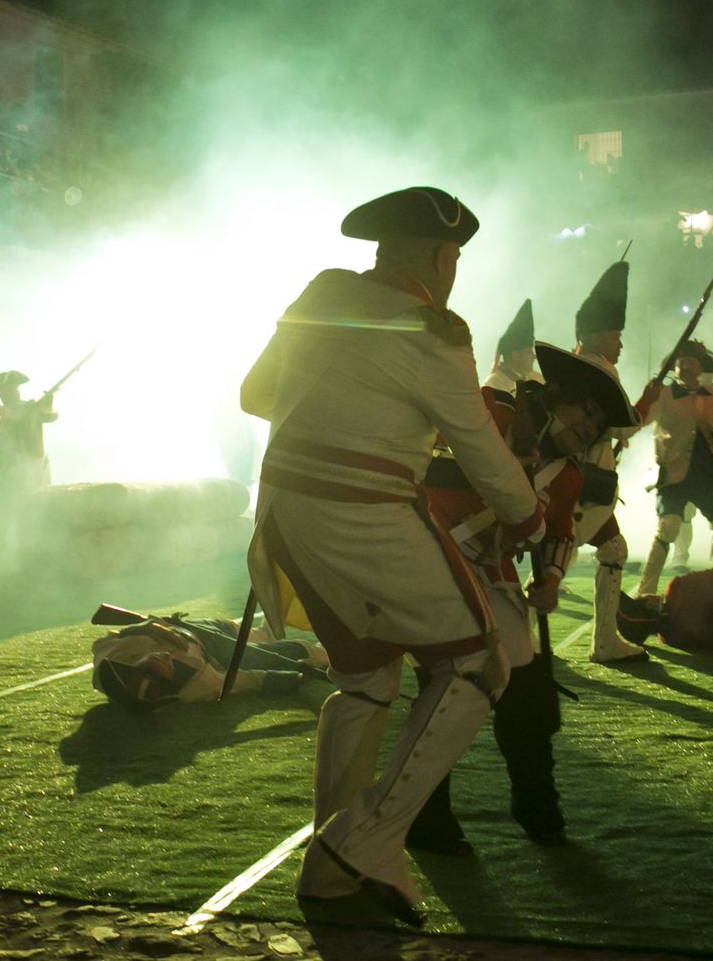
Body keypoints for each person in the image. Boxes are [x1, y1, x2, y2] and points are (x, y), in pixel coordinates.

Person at [241, 186, 545, 927]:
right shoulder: (434, 329)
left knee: (366, 677)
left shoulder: (320, 294)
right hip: (363, 511)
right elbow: (481, 448)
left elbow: (254, 397)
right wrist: (530, 518)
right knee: (478, 663)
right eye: (456, 258)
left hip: (284, 511)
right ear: (444, 257)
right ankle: (366, 844)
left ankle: (330, 866)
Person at [409, 341, 639, 850]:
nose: (589, 426)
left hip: (488, 571)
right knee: (451, 680)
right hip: (426, 547)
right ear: (558, 395)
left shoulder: (571, 474)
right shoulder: (493, 410)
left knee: (527, 683)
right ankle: (425, 815)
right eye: (587, 410)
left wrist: (551, 580)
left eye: (598, 421)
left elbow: (557, 533)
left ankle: (534, 799)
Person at [570, 260, 649, 663]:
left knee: (563, 554)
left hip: (571, 477)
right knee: (612, 550)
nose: (620, 344)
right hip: (587, 481)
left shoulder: (571, 364)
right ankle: (604, 644)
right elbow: (624, 428)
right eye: (616, 335)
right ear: (599, 335)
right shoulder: (601, 370)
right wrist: (647, 403)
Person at [632, 340, 713, 598]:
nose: (685, 366)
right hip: (672, 474)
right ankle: (645, 592)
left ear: (699, 368)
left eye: (691, 362)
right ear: (674, 367)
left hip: (708, 474)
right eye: (681, 362)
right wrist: (645, 398)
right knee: (669, 527)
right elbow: (636, 421)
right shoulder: (663, 394)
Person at [91, 607, 329, 710]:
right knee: (281, 654)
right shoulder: (196, 685)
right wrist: (293, 679)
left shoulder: (111, 658)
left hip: (190, 628)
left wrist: (152, 627)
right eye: (163, 667)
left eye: (147, 666)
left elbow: (107, 638)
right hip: (213, 653)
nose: (163, 656)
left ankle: (268, 625)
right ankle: (325, 653)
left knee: (256, 636)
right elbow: (243, 680)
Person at [0, 370, 57, 573]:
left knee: (29, 526)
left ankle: (31, 572)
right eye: (0, 390)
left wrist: (48, 402)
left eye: (7, 389)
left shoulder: (33, 408)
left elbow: (51, 415)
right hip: (4, 478)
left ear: (16, 389)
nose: (3, 393)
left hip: (29, 476)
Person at [485, 298, 539, 392]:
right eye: (529, 352)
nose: (534, 357)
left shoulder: (534, 377)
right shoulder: (494, 384)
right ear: (516, 356)